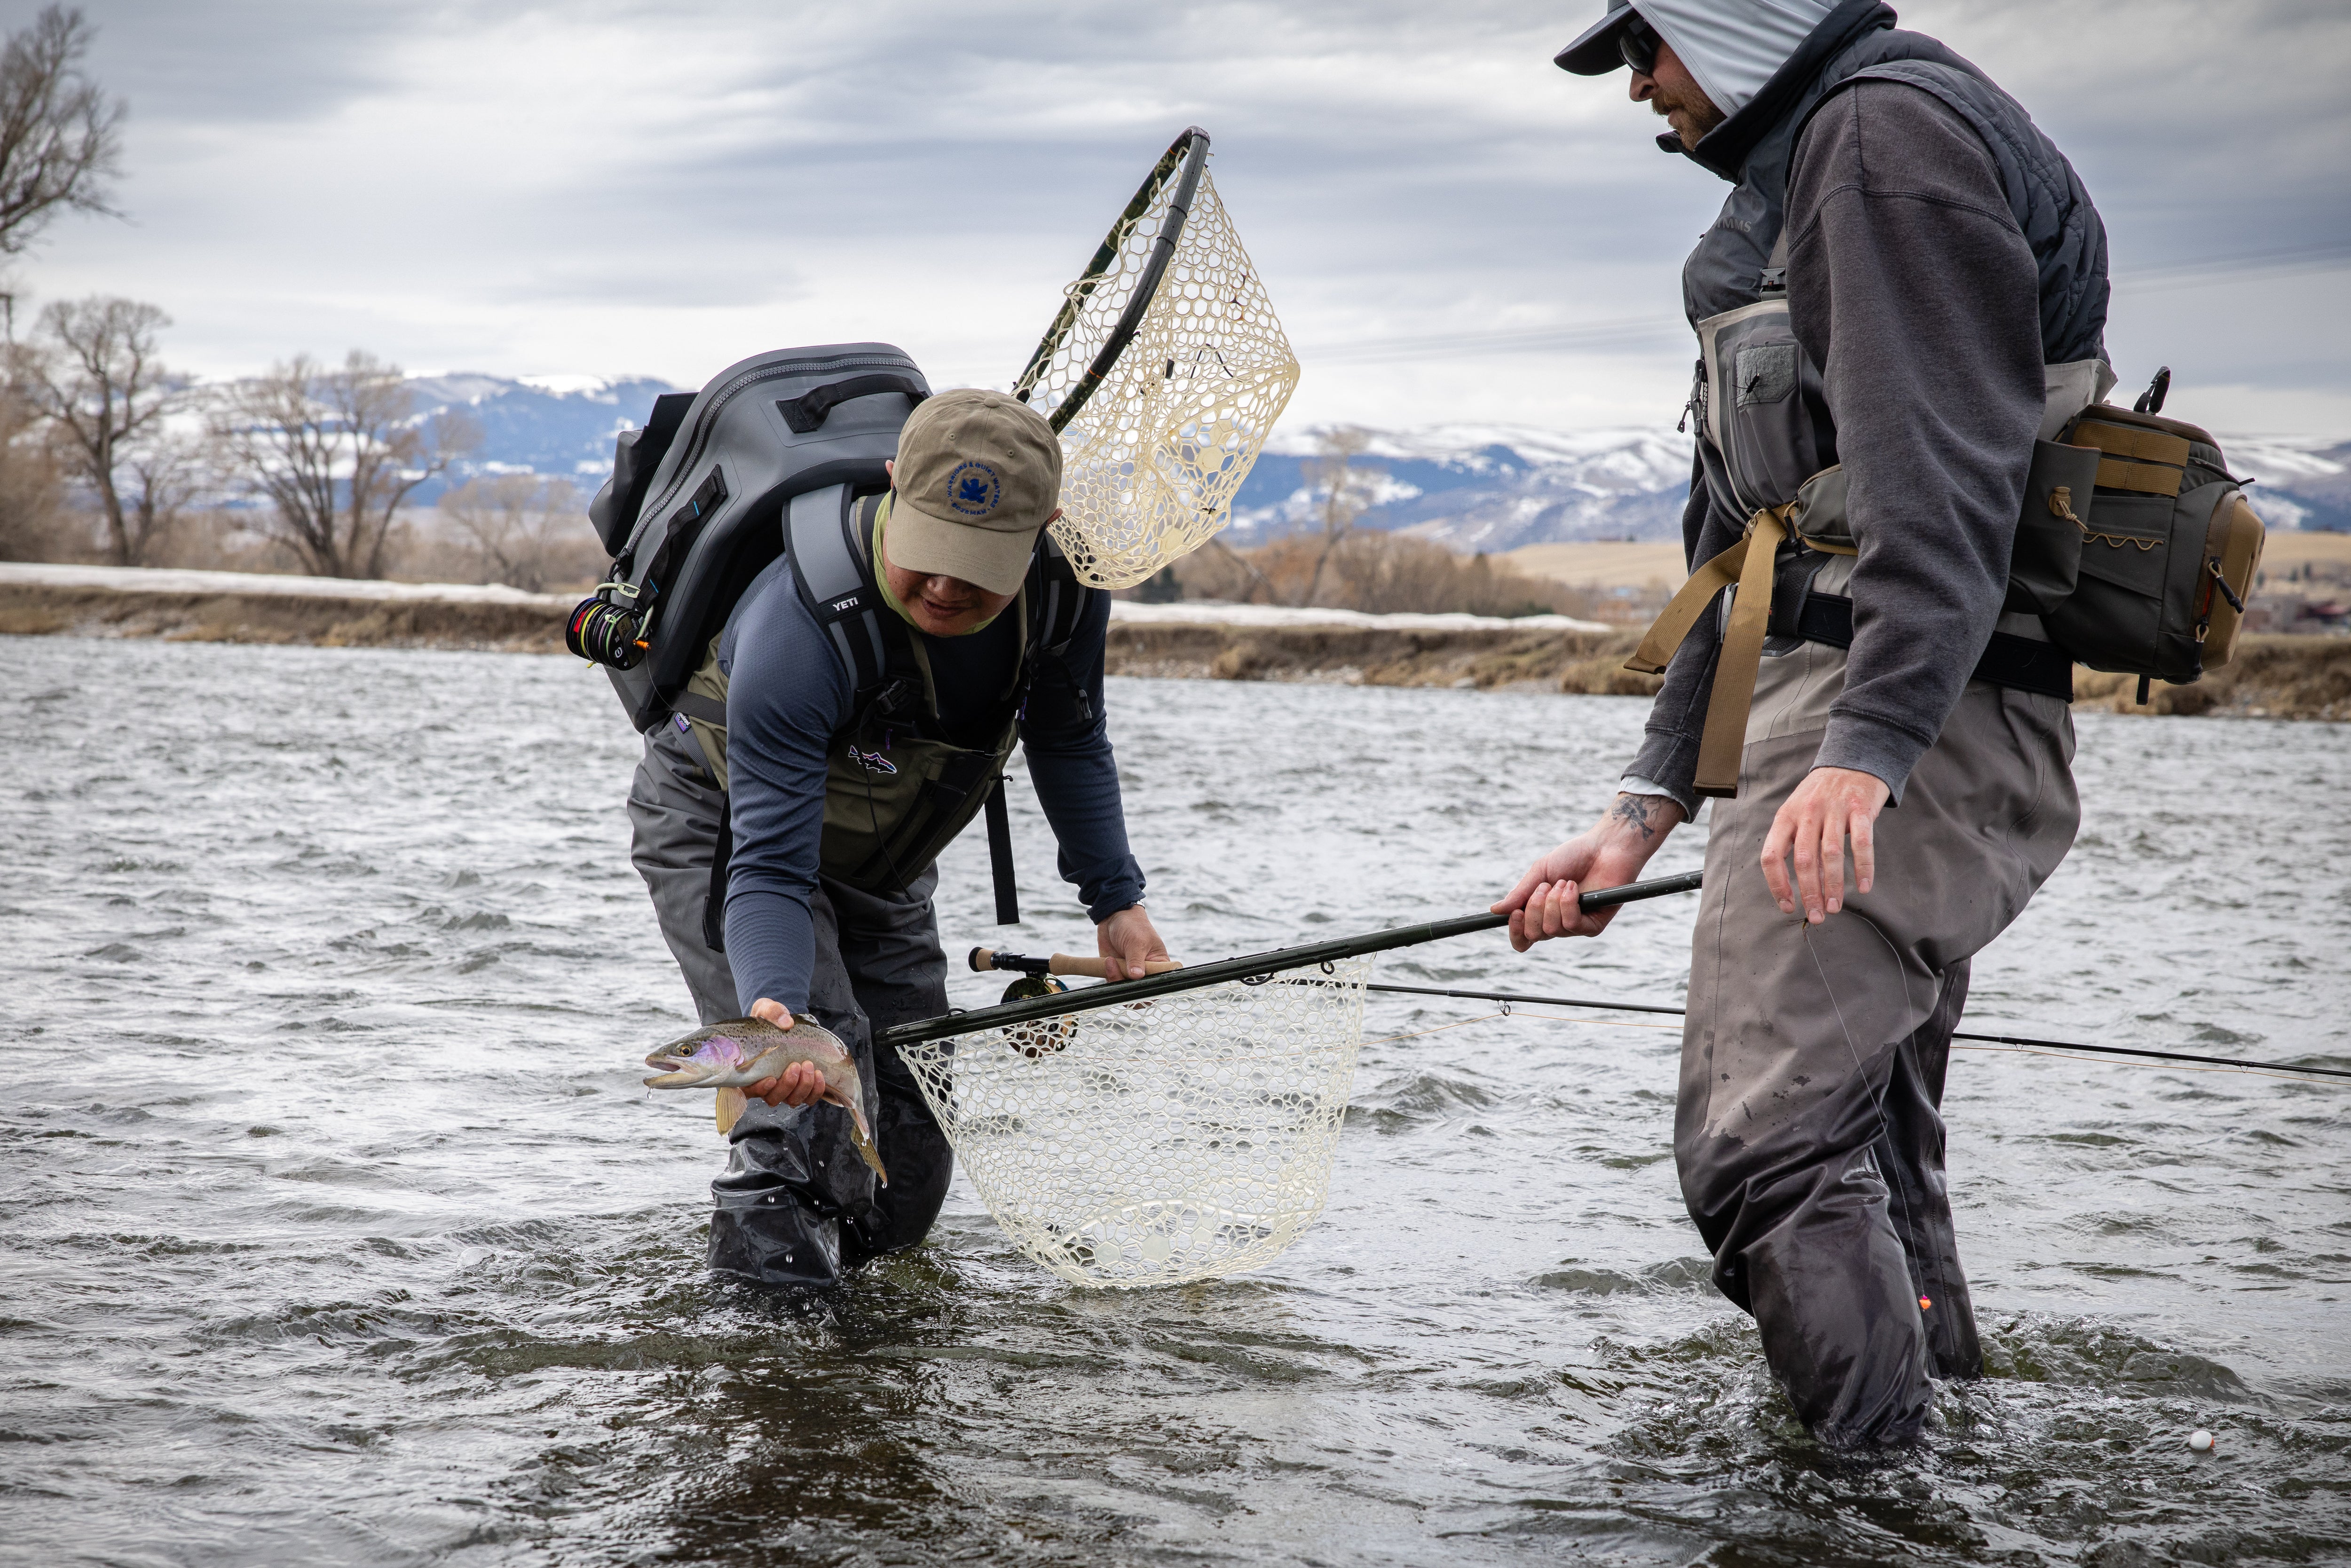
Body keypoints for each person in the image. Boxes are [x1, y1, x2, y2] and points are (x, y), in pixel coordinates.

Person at [1499, 2, 2112, 1445]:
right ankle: (1934, 1475)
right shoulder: (1800, 176)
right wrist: (1640, 814)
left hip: (1899, 720)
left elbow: (1943, 491)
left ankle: (1863, 1507)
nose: (1640, 84)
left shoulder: (1878, 141)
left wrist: (1863, 756)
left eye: (1648, 46)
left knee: (1765, 1149)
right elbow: (1743, 555)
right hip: (1852, 715)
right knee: (1864, 1151)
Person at [629, 387, 1172, 1287]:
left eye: (980, 565)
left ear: (1048, 527)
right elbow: (767, 869)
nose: (948, 587)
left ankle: (868, 1363)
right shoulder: (798, 624)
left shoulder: (1067, 594)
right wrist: (775, 1009)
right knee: (805, 1130)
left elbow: (1070, 736)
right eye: (929, 555)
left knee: (908, 1164)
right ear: (892, 487)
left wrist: (1118, 902)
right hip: (731, 826)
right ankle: (775, 1383)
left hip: (884, 853)